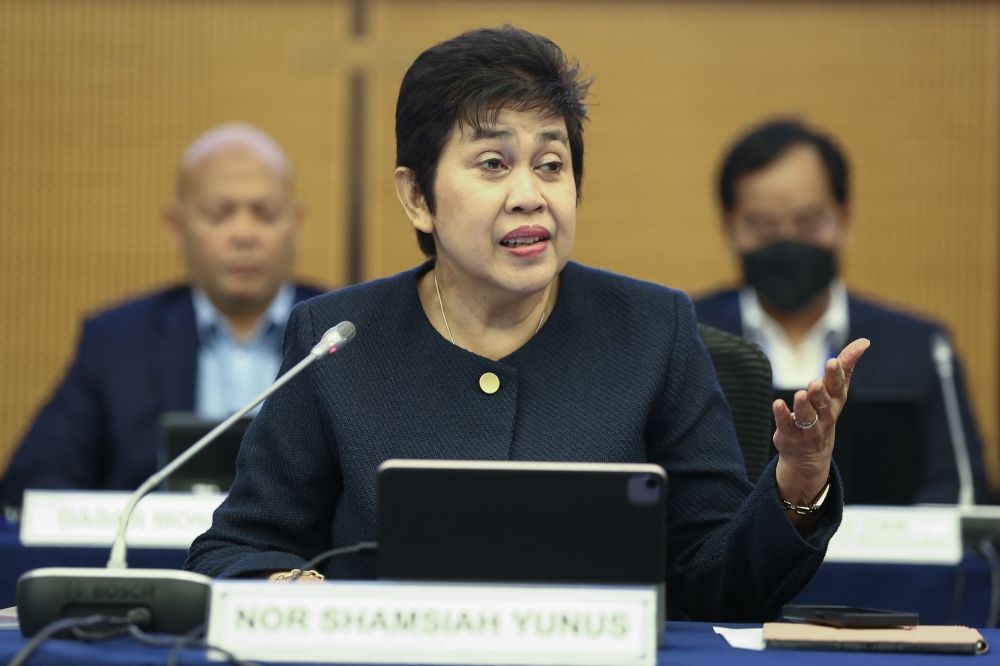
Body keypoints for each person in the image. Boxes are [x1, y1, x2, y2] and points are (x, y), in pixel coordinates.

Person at [185, 28, 868, 622]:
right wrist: (290, 586)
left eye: (551, 164)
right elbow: (236, 548)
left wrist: (797, 484)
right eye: (492, 164)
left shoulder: (651, 330)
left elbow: (717, 582)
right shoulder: (336, 338)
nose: (529, 195)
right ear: (417, 196)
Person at [0, 124, 324, 508]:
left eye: (265, 214)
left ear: (296, 225)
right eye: (219, 214)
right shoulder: (119, 342)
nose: (244, 234)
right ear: (177, 227)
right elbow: (34, 482)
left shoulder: (348, 333)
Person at [694, 120, 990, 505]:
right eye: (763, 226)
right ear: (730, 229)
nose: (788, 240)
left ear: (844, 219)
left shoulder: (920, 348)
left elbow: (961, 497)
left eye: (809, 222)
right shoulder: (686, 338)